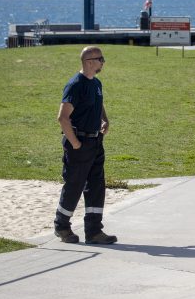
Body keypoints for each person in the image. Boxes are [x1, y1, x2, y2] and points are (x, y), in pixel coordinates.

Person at [54, 46, 118, 245]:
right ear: (89, 61)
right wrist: (75, 144)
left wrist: (105, 120)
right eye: (101, 59)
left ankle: (94, 231)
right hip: (79, 143)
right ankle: (62, 226)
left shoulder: (96, 83)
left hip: (95, 142)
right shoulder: (75, 85)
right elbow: (63, 118)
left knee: (96, 186)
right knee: (74, 185)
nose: (103, 62)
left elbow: (99, 104)